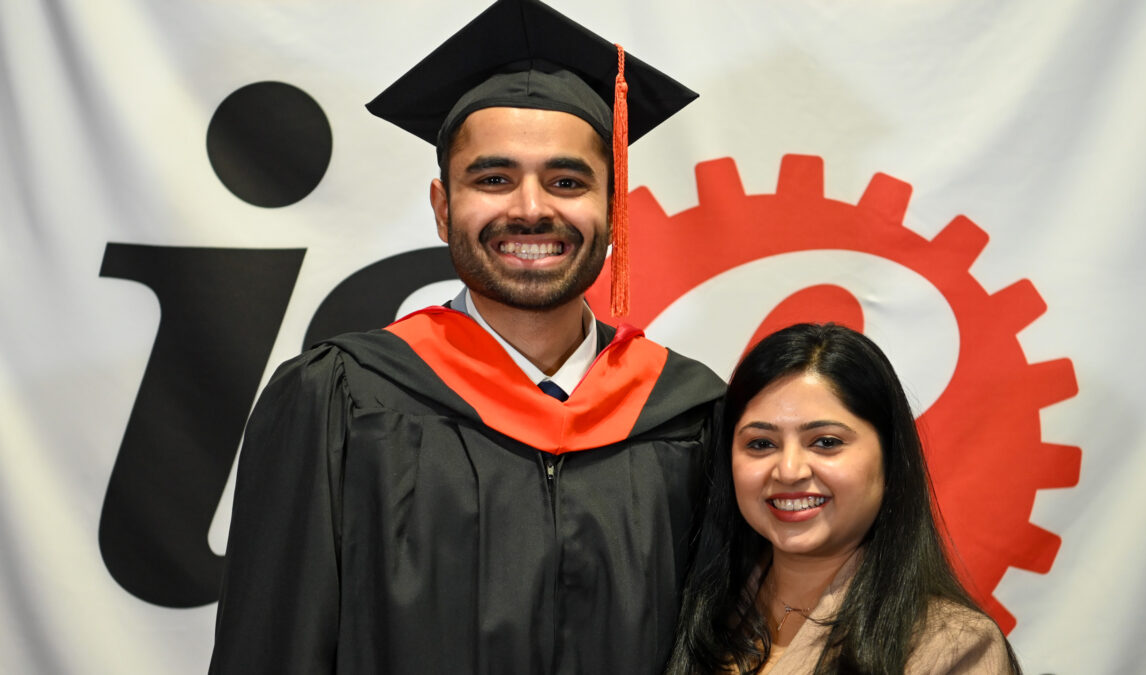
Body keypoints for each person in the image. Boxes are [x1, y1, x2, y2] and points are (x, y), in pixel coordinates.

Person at [208, 1, 723, 673]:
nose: (532, 208)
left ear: (612, 206)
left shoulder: (690, 416)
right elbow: (272, 651)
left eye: (567, 181)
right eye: (494, 178)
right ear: (443, 205)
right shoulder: (339, 403)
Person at [666, 323, 1021, 674]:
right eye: (761, 444)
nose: (788, 471)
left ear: (890, 460)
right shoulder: (686, 621)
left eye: (826, 442)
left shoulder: (952, 647)